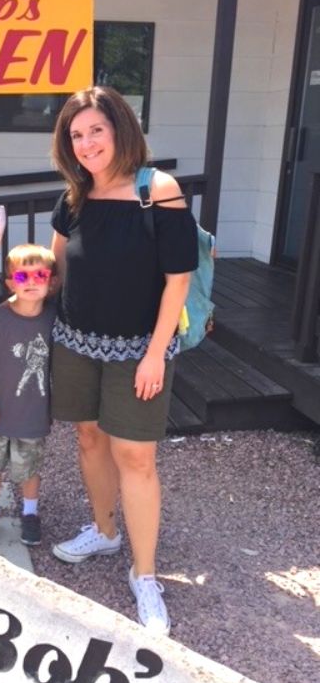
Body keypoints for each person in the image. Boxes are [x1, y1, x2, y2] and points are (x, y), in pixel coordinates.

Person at [49, 86, 198, 635]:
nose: (86, 143)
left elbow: (178, 279)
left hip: (140, 351)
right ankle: (105, 529)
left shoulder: (156, 190)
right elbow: (58, 267)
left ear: (121, 130)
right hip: (76, 343)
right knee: (89, 439)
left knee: (135, 457)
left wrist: (156, 353)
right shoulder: (74, 196)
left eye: (96, 131)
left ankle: (145, 574)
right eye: (76, 134)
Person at [0, 243, 57, 549]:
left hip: (32, 414)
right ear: (10, 283)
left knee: (29, 467)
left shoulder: (52, 320)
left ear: (51, 280)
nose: (31, 282)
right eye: (22, 276)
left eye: (39, 274)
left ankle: (30, 512)